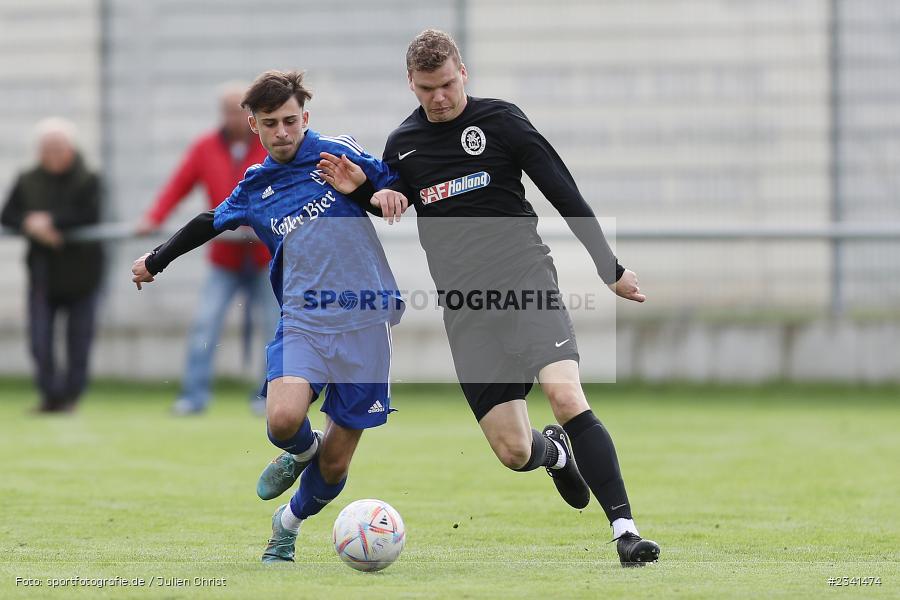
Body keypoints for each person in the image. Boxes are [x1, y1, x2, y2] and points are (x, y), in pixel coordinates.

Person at [317, 29, 660, 567]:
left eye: (448, 84)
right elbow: (394, 199)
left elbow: (561, 188)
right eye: (427, 88)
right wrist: (365, 191)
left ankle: (625, 532)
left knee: (567, 396)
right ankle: (554, 453)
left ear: (464, 74)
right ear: (411, 83)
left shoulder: (501, 120)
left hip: (527, 282)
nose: (439, 97)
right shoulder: (403, 145)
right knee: (514, 451)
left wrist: (608, 267)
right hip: (467, 309)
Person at [130, 70, 407, 563]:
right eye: (270, 123)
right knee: (282, 420)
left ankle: (287, 524)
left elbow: (394, 190)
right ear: (253, 126)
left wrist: (373, 191)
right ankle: (302, 451)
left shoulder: (337, 154)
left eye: (290, 120)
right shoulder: (257, 186)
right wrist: (156, 260)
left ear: (305, 116)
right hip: (304, 317)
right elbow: (206, 222)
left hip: (367, 319)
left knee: (339, 459)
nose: (283, 131)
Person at [136, 82, 277, 416]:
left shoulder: (270, 145)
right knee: (205, 323)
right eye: (227, 111)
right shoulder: (205, 148)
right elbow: (179, 185)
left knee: (274, 328)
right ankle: (193, 397)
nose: (233, 118)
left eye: (240, 111)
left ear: (252, 115)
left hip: (266, 258)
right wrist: (154, 217)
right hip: (224, 259)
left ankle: (268, 397)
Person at [1, 118, 104, 414]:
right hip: (43, 273)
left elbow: (89, 214)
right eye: (47, 148)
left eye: (58, 147)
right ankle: (51, 397)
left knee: (79, 341)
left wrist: (50, 221)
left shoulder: (89, 177)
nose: (53, 154)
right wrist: (30, 224)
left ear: (71, 148)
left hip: (82, 273)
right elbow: (7, 215)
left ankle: (71, 398)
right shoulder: (27, 178)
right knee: (39, 340)